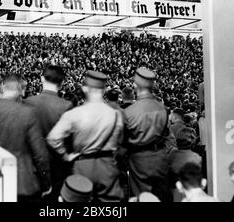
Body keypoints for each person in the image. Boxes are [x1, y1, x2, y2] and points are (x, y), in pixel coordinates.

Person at [47, 70, 124, 202]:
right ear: (104, 90)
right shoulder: (116, 115)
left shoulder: (74, 114)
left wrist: (65, 155)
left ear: (85, 88)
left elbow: (53, 138)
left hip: (82, 164)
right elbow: (119, 143)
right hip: (108, 166)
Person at [24, 64, 73, 201]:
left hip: (32, 167)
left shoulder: (27, 102)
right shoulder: (66, 106)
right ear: (62, 83)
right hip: (56, 167)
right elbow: (69, 141)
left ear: (41, 79)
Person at [124, 67, 171, 202]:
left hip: (139, 161)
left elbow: (123, 141)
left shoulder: (129, 112)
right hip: (161, 157)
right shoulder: (162, 107)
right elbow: (166, 133)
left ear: (135, 85)